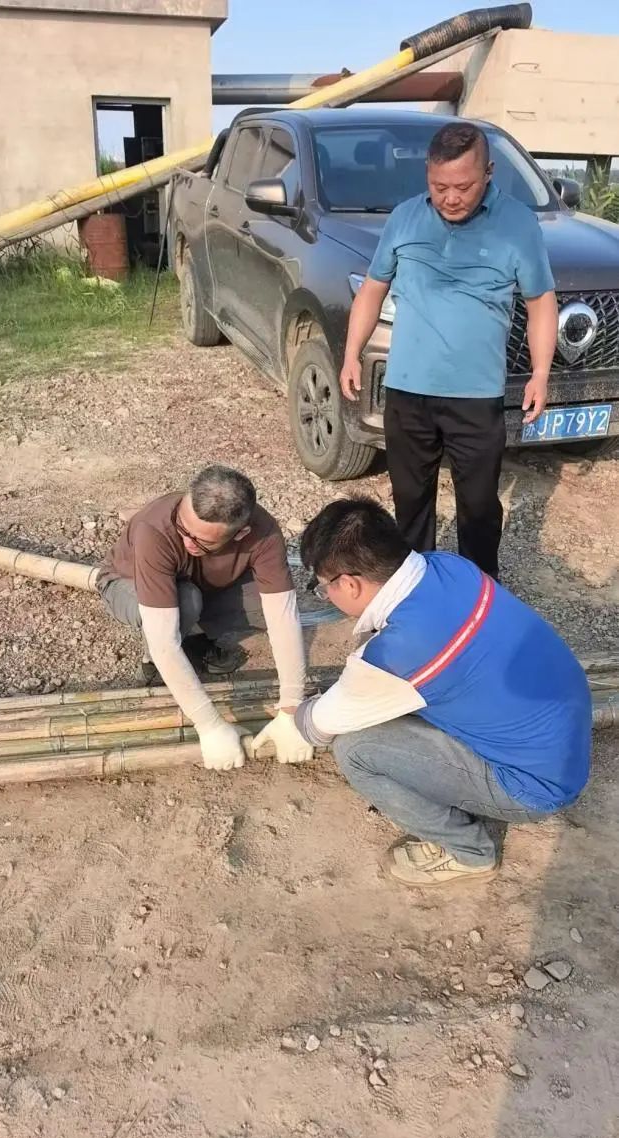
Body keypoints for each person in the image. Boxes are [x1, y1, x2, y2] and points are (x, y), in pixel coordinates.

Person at [295, 499, 591, 888]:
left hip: (534, 786)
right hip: (560, 738)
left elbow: (317, 726)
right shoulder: (449, 567)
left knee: (356, 750)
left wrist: (293, 715)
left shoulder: (399, 655)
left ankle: (470, 853)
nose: (326, 595)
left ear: (349, 584)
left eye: (322, 587)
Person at [340, 121, 558, 580]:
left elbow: (540, 300)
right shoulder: (405, 218)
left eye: (464, 187)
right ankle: (417, 590)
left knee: (478, 509)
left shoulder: (518, 224)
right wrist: (351, 353)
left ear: (489, 173)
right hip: (408, 391)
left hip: (475, 397)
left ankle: (478, 592)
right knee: (410, 504)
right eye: (439, 187)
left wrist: (540, 373)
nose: (451, 198)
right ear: (427, 174)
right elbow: (373, 288)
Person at [96, 465, 313, 771]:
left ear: (241, 533)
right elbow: (163, 642)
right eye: (183, 530)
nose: (187, 543)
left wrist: (292, 709)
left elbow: (283, 618)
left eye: (201, 542)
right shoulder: (155, 529)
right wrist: (210, 725)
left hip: (204, 586)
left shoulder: (263, 532)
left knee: (266, 606)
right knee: (185, 603)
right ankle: (154, 663)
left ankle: (195, 638)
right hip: (127, 585)